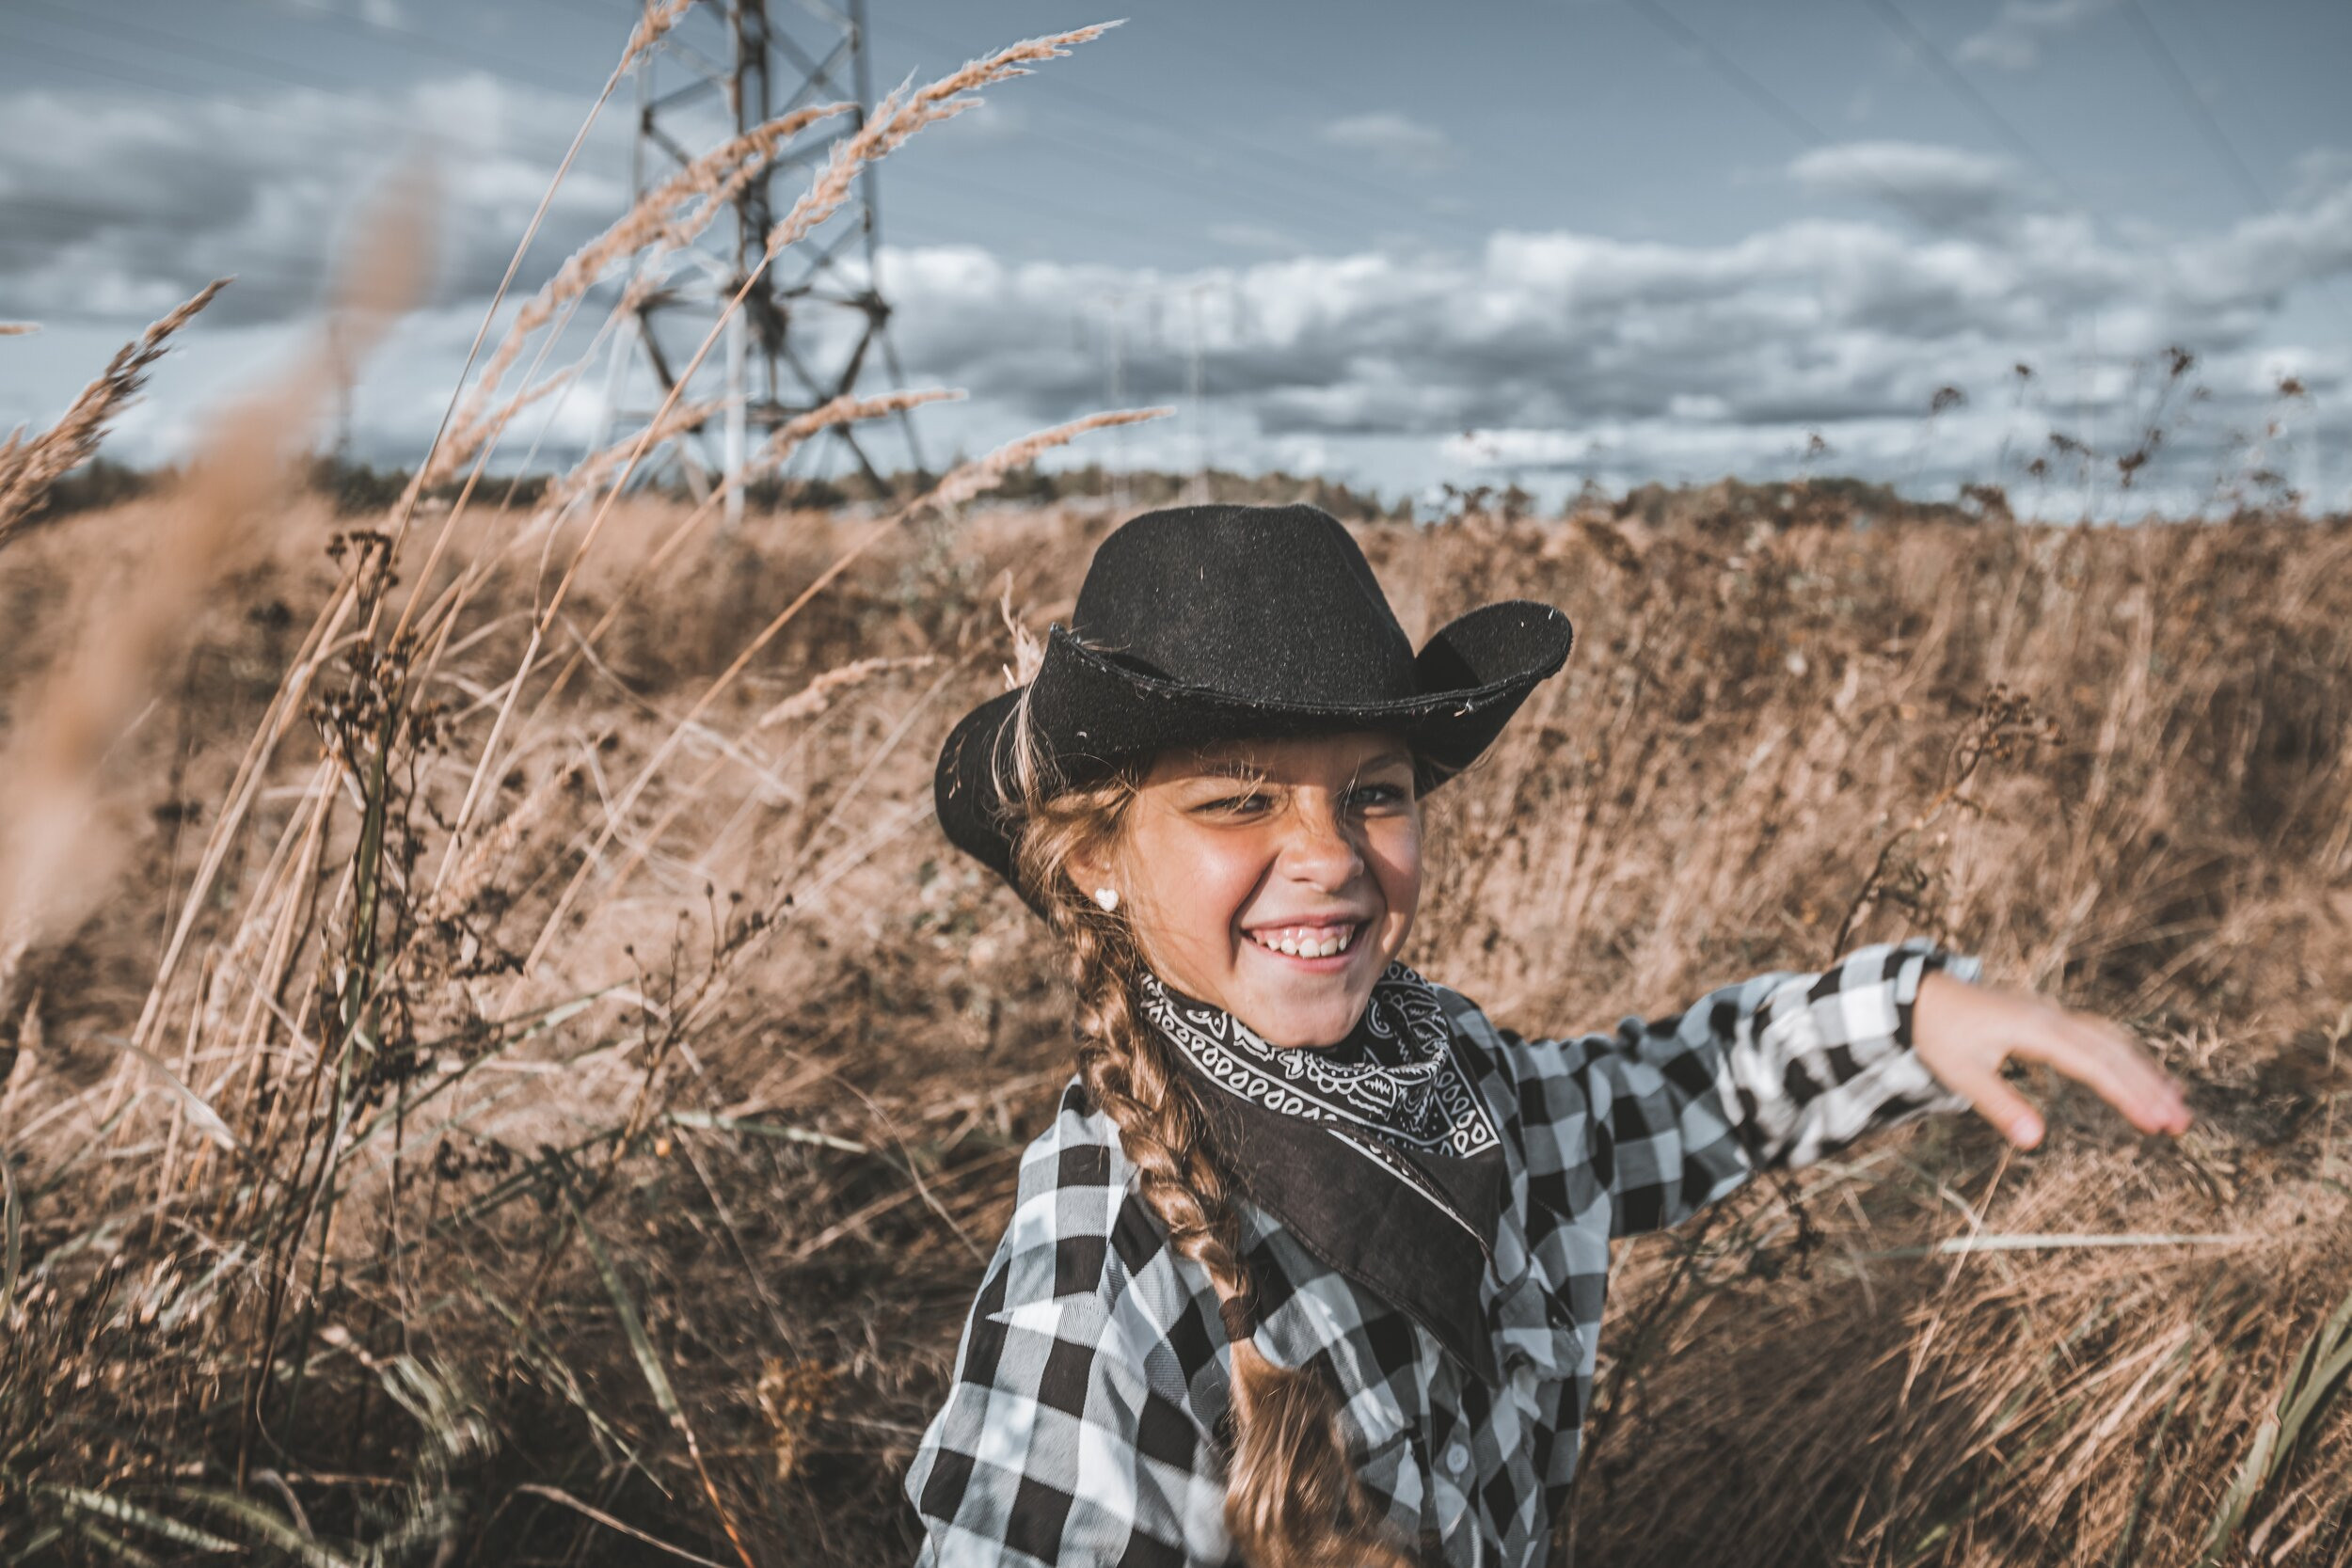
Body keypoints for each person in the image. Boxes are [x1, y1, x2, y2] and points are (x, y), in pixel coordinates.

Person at [904, 503, 2193, 1568]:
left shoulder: (1443, 1073)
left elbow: (1660, 1098)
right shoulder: (1101, 1268)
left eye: (1378, 794)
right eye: (1239, 801)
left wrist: (1905, 1012)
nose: (1329, 859)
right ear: (1094, 867)